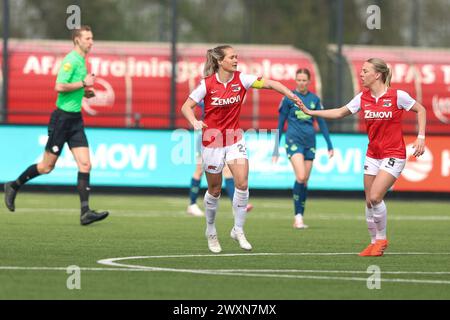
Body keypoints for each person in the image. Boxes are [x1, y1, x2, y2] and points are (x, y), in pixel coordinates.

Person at [181, 45, 304, 253]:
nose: (236, 60)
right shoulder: (207, 84)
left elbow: (271, 83)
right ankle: (210, 230)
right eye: (232, 57)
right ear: (220, 61)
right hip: (212, 140)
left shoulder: (242, 79)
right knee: (215, 189)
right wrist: (193, 121)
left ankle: (238, 229)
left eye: (237, 57)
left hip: (234, 138)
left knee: (243, 182)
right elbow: (186, 106)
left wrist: (290, 95)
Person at [298, 58, 426, 257]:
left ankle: (382, 239)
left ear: (377, 75)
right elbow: (340, 112)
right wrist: (311, 111)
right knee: (368, 201)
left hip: (393, 154)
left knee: (376, 196)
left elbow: (421, 110)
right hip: (373, 154)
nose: (361, 74)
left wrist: (421, 137)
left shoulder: (397, 96)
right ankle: (373, 242)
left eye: (365, 71)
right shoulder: (362, 98)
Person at [3, 25, 109, 226]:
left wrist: (86, 93)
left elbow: (76, 88)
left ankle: (85, 212)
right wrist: (83, 85)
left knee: (86, 164)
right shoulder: (70, 60)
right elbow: (59, 87)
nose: (91, 42)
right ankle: (13, 185)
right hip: (61, 120)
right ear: (77, 40)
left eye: (92, 38)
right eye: (87, 38)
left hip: (75, 120)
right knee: (46, 167)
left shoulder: (83, 61)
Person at [272, 68, 333, 229]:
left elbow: (322, 122)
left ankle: (300, 216)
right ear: (295, 80)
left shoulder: (314, 99)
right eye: (298, 80)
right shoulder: (289, 98)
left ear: (309, 81)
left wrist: (329, 144)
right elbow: (280, 123)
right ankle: (297, 217)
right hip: (293, 140)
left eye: (304, 80)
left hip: (310, 142)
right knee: (301, 176)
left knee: (305, 180)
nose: (301, 83)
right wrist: (275, 148)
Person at [187, 102, 253, 217]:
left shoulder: (227, 92)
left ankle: (235, 205)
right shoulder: (208, 91)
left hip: (223, 136)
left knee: (227, 171)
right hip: (208, 136)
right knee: (199, 170)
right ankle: (192, 205)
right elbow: (193, 104)